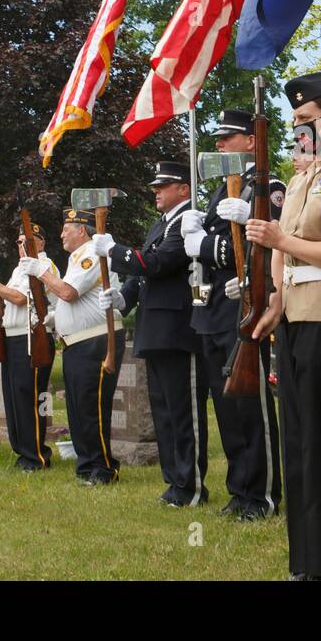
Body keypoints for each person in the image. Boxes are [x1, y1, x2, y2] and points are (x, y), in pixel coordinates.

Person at [244, 70, 321, 580]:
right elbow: (281, 250)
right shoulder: (301, 178)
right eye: (294, 121)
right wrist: (274, 296)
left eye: (306, 120)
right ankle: (306, 561)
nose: (298, 130)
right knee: (297, 443)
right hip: (295, 313)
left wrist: (280, 244)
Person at [182, 108, 284, 519]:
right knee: (226, 405)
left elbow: (266, 246)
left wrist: (202, 244)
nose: (220, 144)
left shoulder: (268, 188)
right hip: (213, 307)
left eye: (229, 137)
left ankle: (263, 494)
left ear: (251, 141)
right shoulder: (218, 193)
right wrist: (197, 237)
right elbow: (217, 250)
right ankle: (240, 490)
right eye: (218, 138)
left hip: (246, 304)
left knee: (250, 404)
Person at [93, 162, 209, 506]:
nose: (156, 191)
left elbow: (158, 264)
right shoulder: (162, 223)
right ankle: (175, 482)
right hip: (156, 329)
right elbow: (142, 275)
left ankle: (191, 486)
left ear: (183, 190)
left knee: (184, 412)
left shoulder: (188, 222)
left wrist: (114, 251)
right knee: (164, 412)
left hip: (179, 329)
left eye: (164, 185)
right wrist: (123, 298)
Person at [24, 208, 125, 485]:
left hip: (95, 340)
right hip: (77, 342)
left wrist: (42, 272)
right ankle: (86, 466)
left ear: (82, 229)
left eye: (66, 228)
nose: (61, 234)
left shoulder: (92, 251)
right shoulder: (76, 256)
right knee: (78, 409)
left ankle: (104, 468)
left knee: (92, 407)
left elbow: (68, 291)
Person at [0, 221, 59, 471]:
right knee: (14, 396)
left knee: (29, 396)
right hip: (14, 336)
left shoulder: (44, 265)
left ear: (40, 243)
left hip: (33, 337)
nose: (21, 246)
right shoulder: (20, 269)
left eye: (26, 241)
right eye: (18, 242)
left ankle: (37, 454)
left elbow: (19, 298)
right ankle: (23, 452)